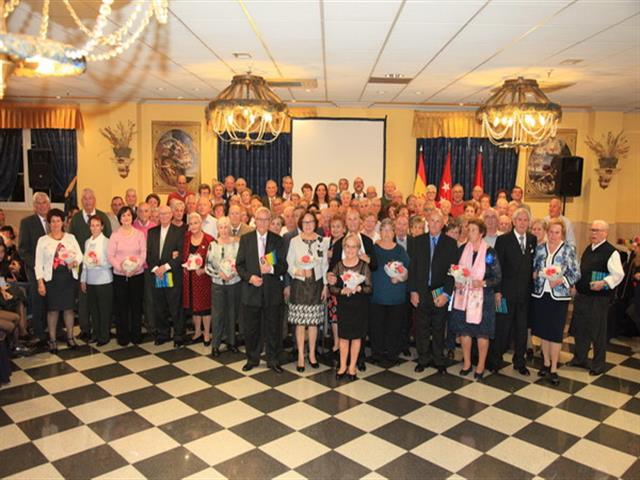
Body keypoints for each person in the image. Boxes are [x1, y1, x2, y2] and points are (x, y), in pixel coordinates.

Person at [236, 207, 287, 373]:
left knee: (273, 328)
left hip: (272, 293)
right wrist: (250, 277)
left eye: (266, 220)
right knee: (251, 329)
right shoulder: (246, 239)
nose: (263, 223)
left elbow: (283, 266)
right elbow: (239, 265)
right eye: (260, 219)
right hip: (251, 291)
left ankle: (273, 360)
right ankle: (252, 359)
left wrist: (271, 269)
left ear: (270, 221)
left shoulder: (277, 240)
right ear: (255, 221)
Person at [450, 218, 502, 381]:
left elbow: (497, 277)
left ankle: (480, 365)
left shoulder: (489, 253)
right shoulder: (462, 249)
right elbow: (456, 269)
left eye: (473, 230)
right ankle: (466, 363)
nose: (469, 232)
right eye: (468, 229)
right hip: (464, 296)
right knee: (465, 331)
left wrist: (483, 282)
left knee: (482, 333)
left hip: (482, 298)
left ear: (481, 233)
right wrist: (457, 279)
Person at [570, 220, 624, 375]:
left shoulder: (611, 252)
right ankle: (580, 358)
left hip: (599, 299)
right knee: (580, 329)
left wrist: (604, 282)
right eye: (592, 230)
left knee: (597, 331)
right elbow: (581, 270)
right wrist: (575, 286)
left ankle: (598, 364)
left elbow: (619, 274)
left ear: (605, 233)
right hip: (583, 296)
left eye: (597, 230)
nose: (593, 233)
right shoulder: (589, 249)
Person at [531, 218, 580, 386]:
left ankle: (553, 368)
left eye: (557, 232)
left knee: (555, 333)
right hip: (541, 294)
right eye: (551, 232)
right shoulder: (539, 249)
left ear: (563, 234)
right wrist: (536, 274)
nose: (553, 235)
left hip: (559, 296)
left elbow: (576, 273)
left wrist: (561, 281)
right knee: (544, 331)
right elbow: (535, 267)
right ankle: (545, 362)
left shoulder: (568, 250)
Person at [409, 210, 458, 373]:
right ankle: (422, 358)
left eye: (438, 221)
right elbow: (413, 268)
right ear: (427, 222)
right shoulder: (417, 241)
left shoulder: (450, 243)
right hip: (422, 290)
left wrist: (446, 294)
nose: (435, 224)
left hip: (440, 292)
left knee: (438, 327)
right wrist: (413, 291)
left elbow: (453, 272)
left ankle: (438, 359)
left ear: (443, 224)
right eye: (432, 221)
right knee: (421, 327)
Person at [329, 208, 377, 371]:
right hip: (343, 295)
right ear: (346, 222)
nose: (352, 222)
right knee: (344, 332)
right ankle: (344, 363)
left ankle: (358, 360)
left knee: (359, 331)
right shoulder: (338, 244)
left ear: (360, 221)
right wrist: (331, 279)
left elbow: (374, 266)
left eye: (355, 219)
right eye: (349, 219)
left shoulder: (368, 242)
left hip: (360, 295)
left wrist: (367, 259)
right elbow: (332, 269)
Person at [491, 208, 536, 376]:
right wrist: (497, 291)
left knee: (521, 330)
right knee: (502, 328)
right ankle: (495, 360)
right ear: (514, 222)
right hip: (505, 295)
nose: (523, 223)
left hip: (525, 295)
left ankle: (520, 362)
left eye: (526, 220)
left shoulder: (532, 239)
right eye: (520, 220)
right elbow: (497, 268)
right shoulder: (503, 240)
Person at [286, 211, 330, 372]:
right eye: (305, 222)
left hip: (317, 284)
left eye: (311, 221)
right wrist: (298, 272)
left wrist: (325, 285)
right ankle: (300, 355)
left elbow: (324, 264)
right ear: (300, 224)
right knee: (300, 321)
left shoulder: (321, 241)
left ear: (315, 223)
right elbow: (289, 263)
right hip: (300, 285)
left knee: (313, 322)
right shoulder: (294, 241)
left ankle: (312, 354)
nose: (308, 225)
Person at [35, 208, 83, 353]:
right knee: (53, 311)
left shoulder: (70, 238)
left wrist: (75, 262)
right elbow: (38, 263)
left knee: (69, 309)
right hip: (52, 279)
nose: (55, 224)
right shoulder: (43, 240)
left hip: (68, 278)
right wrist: (40, 283)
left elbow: (80, 255)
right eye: (52, 221)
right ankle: (52, 340)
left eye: (58, 220)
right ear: (49, 223)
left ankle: (70, 337)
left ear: (63, 222)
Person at [370, 219, 410, 367]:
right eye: (384, 230)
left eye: (389, 230)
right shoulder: (373, 249)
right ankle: (377, 354)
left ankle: (393, 355)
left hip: (396, 296)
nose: (387, 233)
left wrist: (399, 278)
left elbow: (407, 272)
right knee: (377, 327)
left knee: (394, 327)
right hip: (377, 295)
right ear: (380, 232)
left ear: (394, 232)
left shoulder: (400, 250)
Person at [147, 206, 185, 347]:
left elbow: (181, 254)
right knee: (160, 305)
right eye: (161, 213)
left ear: (171, 215)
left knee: (175, 306)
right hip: (158, 274)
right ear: (157, 215)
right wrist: (157, 269)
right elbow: (149, 254)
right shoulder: (152, 232)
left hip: (172, 273)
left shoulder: (180, 232)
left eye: (166, 213)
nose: (163, 216)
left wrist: (166, 267)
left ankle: (179, 336)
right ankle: (163, 334)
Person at [108, 206, 146, 346]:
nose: (126, 218)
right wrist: (121, 268)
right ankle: (122, 337)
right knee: (121, 306)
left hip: (137, 275)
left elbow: (143, 253)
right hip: (120, 275)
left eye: (129, 215)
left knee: (136, 306)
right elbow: (110, 256)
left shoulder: (139, 234)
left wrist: (136, 267)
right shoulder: (115, 235)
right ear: (119, 219)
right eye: (123, 216)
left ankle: (136, 335)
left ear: (133, 217)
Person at [205, 217, 241, 356]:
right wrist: (219, 274)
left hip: (234, 283)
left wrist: (233, 273)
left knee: (232, 313)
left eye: (226, 227)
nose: (224, 230)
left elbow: (241, 263)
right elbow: (207, 266)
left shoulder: (237, 244)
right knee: (218, 314)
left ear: (230, 228)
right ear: (217, 229)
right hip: (218, 284)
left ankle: (231, 342)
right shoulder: (212, 245)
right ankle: (216, 345)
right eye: (221, 227)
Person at [18, 192, 51, 344]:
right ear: (34, 206)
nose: (42, 205)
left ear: (49, 204)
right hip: (35, 271)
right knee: (38, 302)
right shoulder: (27, 222)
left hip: (52, 270)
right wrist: (38, 266)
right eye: (38, 203)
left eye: (44, 202)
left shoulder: (54, 221)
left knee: (52, 301)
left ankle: (53, 331)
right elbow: (23, 250)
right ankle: (40, 334)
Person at [80, 215, 113, 346]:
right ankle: (96, 333)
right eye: (92, 225)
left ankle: (104, 336)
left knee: (104, 310)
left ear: (102, 227)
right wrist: (83, 280)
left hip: (104, 280)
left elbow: (111, 262)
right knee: (93, 309)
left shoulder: (107, 241)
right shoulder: (87, 242)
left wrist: (99, 263)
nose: (94, 228)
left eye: (97, 225)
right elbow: (84, 262)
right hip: (90, 280)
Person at [182, 213, 213, 345]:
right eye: (191, 223)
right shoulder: (186, 237)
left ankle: (206, 333)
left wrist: (204, 269)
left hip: (203, 279)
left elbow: (213, 260)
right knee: (194, 306)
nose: (193, 226)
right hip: (189, 278)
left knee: (204, 308)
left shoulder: (209, 239)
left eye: (196, 223)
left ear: (201, 224)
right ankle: (197, 331)